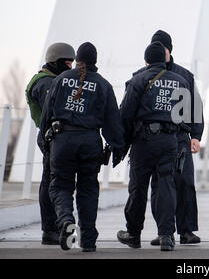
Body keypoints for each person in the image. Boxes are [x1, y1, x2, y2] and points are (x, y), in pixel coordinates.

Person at [40, 42, 125, 252]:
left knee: (60, 186)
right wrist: (117, 148)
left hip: (63, 141)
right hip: (90, 142)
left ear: (77, 60)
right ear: (96, 61)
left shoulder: (61, 79)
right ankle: (88, 240)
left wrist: (44, 140)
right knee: (88, 190)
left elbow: (46, 114)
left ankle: (66, 221)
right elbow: (113, 121)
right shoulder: (103, 85)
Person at [117, 41, 189, 251]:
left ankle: (133, 234)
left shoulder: (138, 80)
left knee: (138, 188)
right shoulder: (181, 81)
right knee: (166, 186)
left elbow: (126, 114)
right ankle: (167, 235)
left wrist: (120, 143)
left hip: (144, 141)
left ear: (146, 60)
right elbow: (185, 115)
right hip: (169, 141)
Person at [25, 42, 75, 245]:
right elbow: (53, 110)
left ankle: (55, 227)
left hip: (56, 137)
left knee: (54, 182)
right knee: (50, 183)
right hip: (52, 136)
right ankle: (50, 229)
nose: (70, 67)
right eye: (67, 63)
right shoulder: (46, 82)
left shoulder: (53, 80)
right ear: (55, 62)